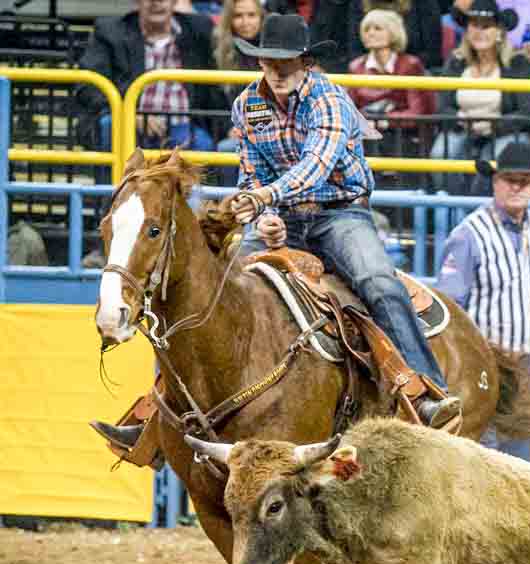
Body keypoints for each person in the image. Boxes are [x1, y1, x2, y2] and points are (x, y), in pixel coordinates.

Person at [94, 13, 462, 456]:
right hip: (281, 217)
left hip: (339, 214)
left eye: (288, 62)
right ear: (261, 62)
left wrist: (265, 197)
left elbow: (316, 165)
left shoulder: (330, 100)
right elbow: (251, 171)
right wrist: (259, 212)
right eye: (271, 62)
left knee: (378, 282)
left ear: (306, 62)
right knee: (205, 293)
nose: (279, 71)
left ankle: (426, 392)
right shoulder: (247, 105)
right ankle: (160, 412)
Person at [435, 142, 530, 458]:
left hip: (523, 358)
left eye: (525, 180)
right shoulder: (468, 233)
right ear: (494, 181)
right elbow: (449, 305)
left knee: (519, 453)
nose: (517, 187)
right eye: (509, 179)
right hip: (484, 361)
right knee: (483, 451)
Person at [76, 0, 226, 154]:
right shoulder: (111, 31)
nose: (156, 3)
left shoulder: (198, 29)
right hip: (129, 122)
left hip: (183, 126)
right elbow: (89, 86)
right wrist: (129, 115)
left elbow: (217, 87)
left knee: (204, 144)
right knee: (112, 126)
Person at [434, 0, 530, 193]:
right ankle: (453, 209)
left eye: (486, 26)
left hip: (505, 132)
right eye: (474, 25)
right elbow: (441, 106)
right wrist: (459, 119)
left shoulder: (517, 64)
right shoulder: (456, 62)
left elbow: (528, 110)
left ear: (499, 31)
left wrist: (493, 125)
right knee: (440, 154)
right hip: (463, 128)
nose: (479, 31)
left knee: (496, 159)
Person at [213, 0, 265, 186]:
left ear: (261, 18)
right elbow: (215, 102)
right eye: (238, 16)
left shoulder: (274, 53)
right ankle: (230, 206)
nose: (245, 22)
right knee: (226, 148)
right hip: (232, 131)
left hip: (271, 129)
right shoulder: (219, 53)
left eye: (251, 15)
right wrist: (232, 127)